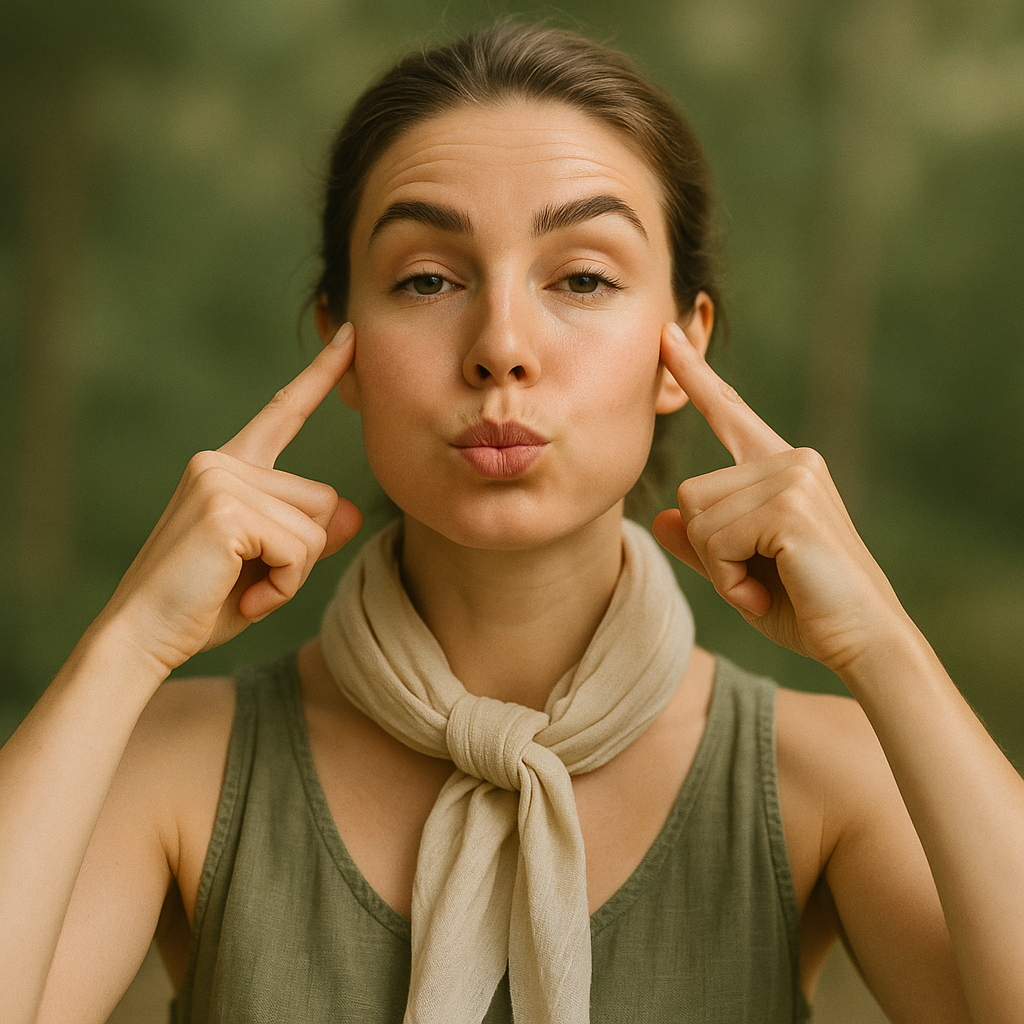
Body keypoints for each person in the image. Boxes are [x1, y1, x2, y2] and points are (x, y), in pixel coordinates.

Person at [2, 20, 1023, 1024]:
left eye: (581, 277)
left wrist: (883, 646)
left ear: (684, 343)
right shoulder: (180, 762)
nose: (500, 346)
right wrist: (126, 644)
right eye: (427, 280)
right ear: (339, 340)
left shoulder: (818, 773)